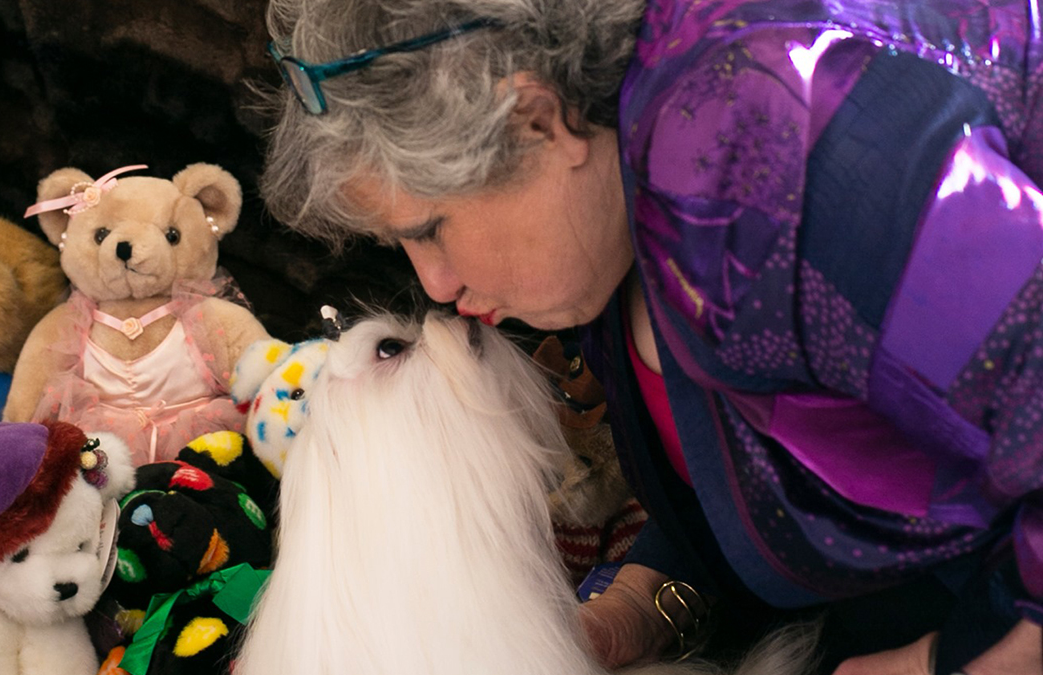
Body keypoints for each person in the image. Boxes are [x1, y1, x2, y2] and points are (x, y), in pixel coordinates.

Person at [257, 0, 1043, 673]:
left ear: (535, 122)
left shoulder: (775, 136)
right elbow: (755, 463)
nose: (435, 285)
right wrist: (641, 599)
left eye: (432, 227)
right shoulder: (605, 226)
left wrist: (971, 658)